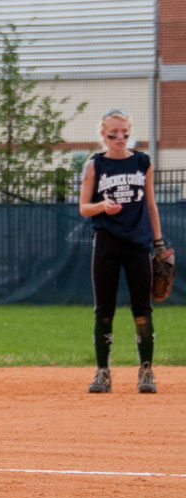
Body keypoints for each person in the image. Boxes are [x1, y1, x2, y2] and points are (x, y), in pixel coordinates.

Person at [79, 108, 165, 394]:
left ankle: (146, 371)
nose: (119, 138)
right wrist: (103, 206)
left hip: (138, 245)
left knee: (142, 309)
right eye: (113, 133)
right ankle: (102, 372)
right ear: (103, 135)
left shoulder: (143, 162)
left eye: (124, 133)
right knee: (104, 310)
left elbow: (151, 206)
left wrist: (159, 244)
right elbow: (83, 208)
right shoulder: (95, 165)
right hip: (106, 243)